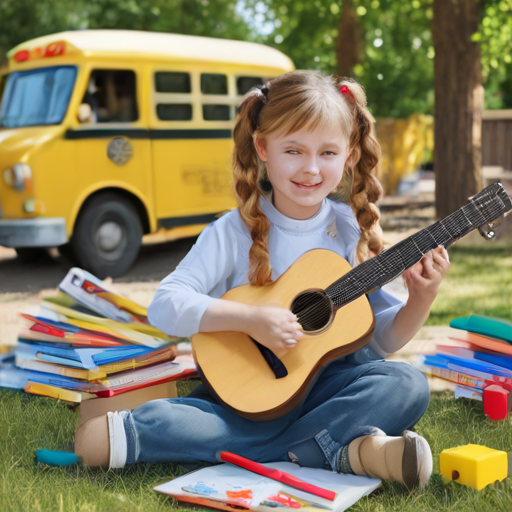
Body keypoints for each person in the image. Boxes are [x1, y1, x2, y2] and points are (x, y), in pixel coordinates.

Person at [75, 70, 450, 489]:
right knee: (214, 420)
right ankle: (338, 452)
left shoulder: (350, 229)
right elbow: (165, 305)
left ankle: (223, 441)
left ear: (348, 155)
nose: (311, 169)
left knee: (406, 383)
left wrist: (421, 297)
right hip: (245, 395)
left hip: (328, 390)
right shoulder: (232, 232)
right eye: (294, 150)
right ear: (263, 147)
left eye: (327, 153)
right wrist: (252, 320)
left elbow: (378, 342)